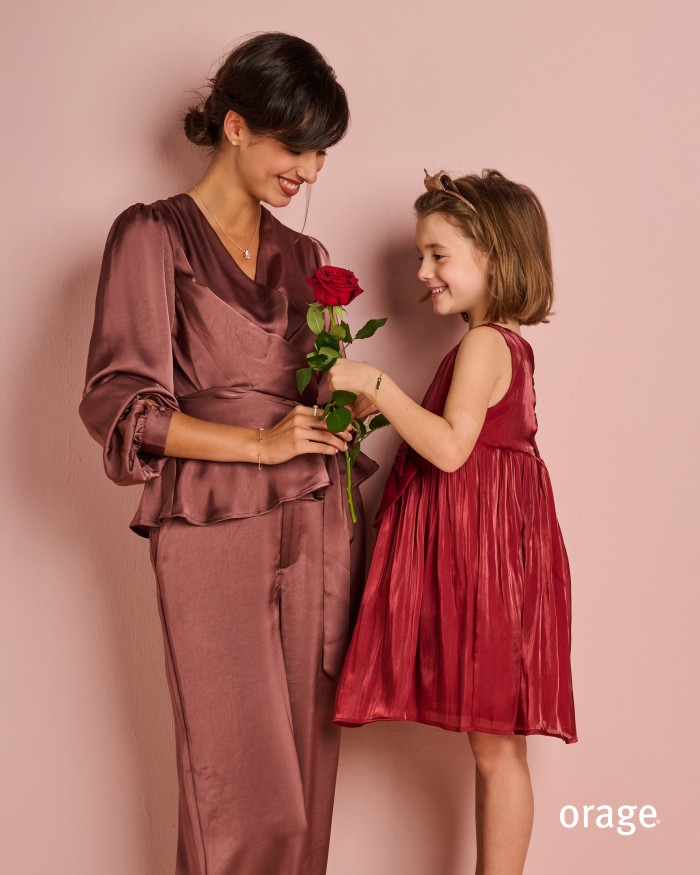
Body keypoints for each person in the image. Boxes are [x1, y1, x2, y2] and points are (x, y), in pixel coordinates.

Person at [78, 32, 377, 875]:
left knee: (308, 774)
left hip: (315, 523)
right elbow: (121, 404)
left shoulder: (307, 258)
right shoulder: (152, 235)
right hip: (210, 522)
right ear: (236, 126)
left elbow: (313, 397)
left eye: (322, 153)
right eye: (297, 147)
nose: (311, 171)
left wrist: (343, 413)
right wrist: (259, 442)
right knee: (239, 779)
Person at [329, 169, 577, 874]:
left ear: (492, 256)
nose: (422, 271)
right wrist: (389, 406)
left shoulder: (485, 344)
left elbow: (449, 448)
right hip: (497, 556)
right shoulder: (496, 344)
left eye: (438, 254)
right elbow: (459, 437)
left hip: (489, 561)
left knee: (496, 752)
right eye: (421, 254)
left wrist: (378, 383)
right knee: (495, 748)